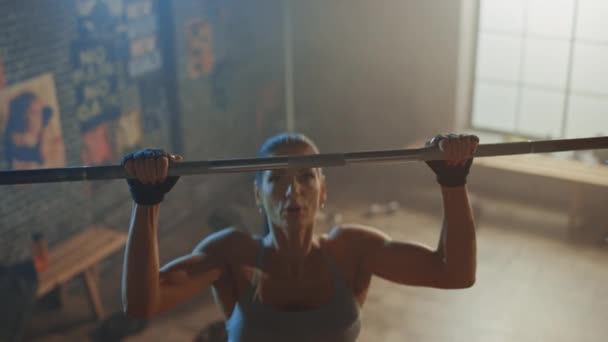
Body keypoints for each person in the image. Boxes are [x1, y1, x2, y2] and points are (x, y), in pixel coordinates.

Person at [121, 132, 478, 341]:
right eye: (276, 179)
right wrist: (147, 201)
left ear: (324, 192)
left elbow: (455, 273)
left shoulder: (352, 250)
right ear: (257, 195)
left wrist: (453, 181)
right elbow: (142, 304)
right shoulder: (232, 255)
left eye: (306, 177)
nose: (293, 193)